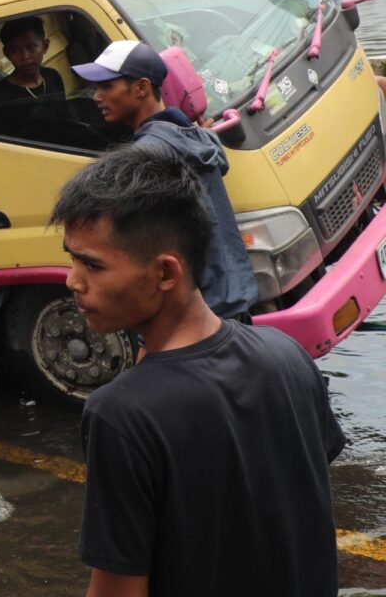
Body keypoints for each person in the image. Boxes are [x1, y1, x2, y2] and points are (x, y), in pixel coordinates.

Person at [52, 145, 344, 597]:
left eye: (92, 264)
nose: (73, 281)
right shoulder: (286, 355)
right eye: (72, 259)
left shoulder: (122, 416)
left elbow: (117, 591)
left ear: (166, 272)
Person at [72, 40, 260, 319]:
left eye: (107, 86)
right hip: (234, 295)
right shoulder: (195, 135)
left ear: (141, 88)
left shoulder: (148, 155)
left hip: (201, 313)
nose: (97, 97)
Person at [0, 16, 67, 110]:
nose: (25, 56)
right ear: (7, 54)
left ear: (45, 46)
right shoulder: (0, 99)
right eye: (15, 50)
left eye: (31, 47)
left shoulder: (53, 76)